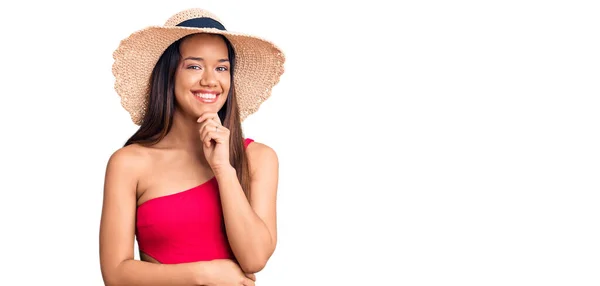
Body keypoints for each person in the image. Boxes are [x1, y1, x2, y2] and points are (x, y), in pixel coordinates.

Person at [99, 8, 285, 286]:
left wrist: (223, 168)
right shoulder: (129, 163)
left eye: (221, 68)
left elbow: (255, 258)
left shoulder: (258, 158)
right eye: (194, 66)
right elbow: (115, 275)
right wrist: (203, 274)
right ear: (169, 74)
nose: (210, 80)